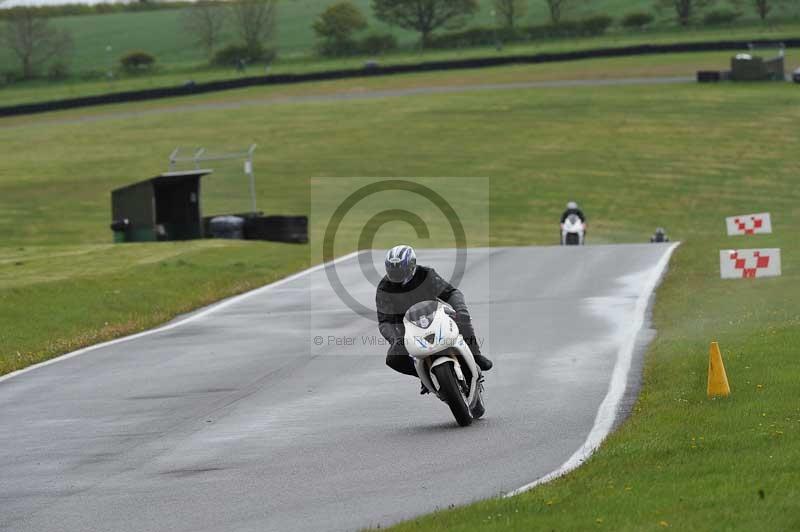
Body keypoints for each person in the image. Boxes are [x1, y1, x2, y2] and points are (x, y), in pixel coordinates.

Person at [376, 245, 492, 389]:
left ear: (412, 266)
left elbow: (451, 293)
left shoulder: (426, 274)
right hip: (407, 328)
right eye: (393, 272)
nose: (397, 276)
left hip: (434, 316)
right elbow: (384, 321)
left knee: (462, 318)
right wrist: (395, 339)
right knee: (393, 359)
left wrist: (460, 309)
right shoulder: (384, 288)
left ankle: (475, 355)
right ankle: (424, 376)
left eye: (400, 272)